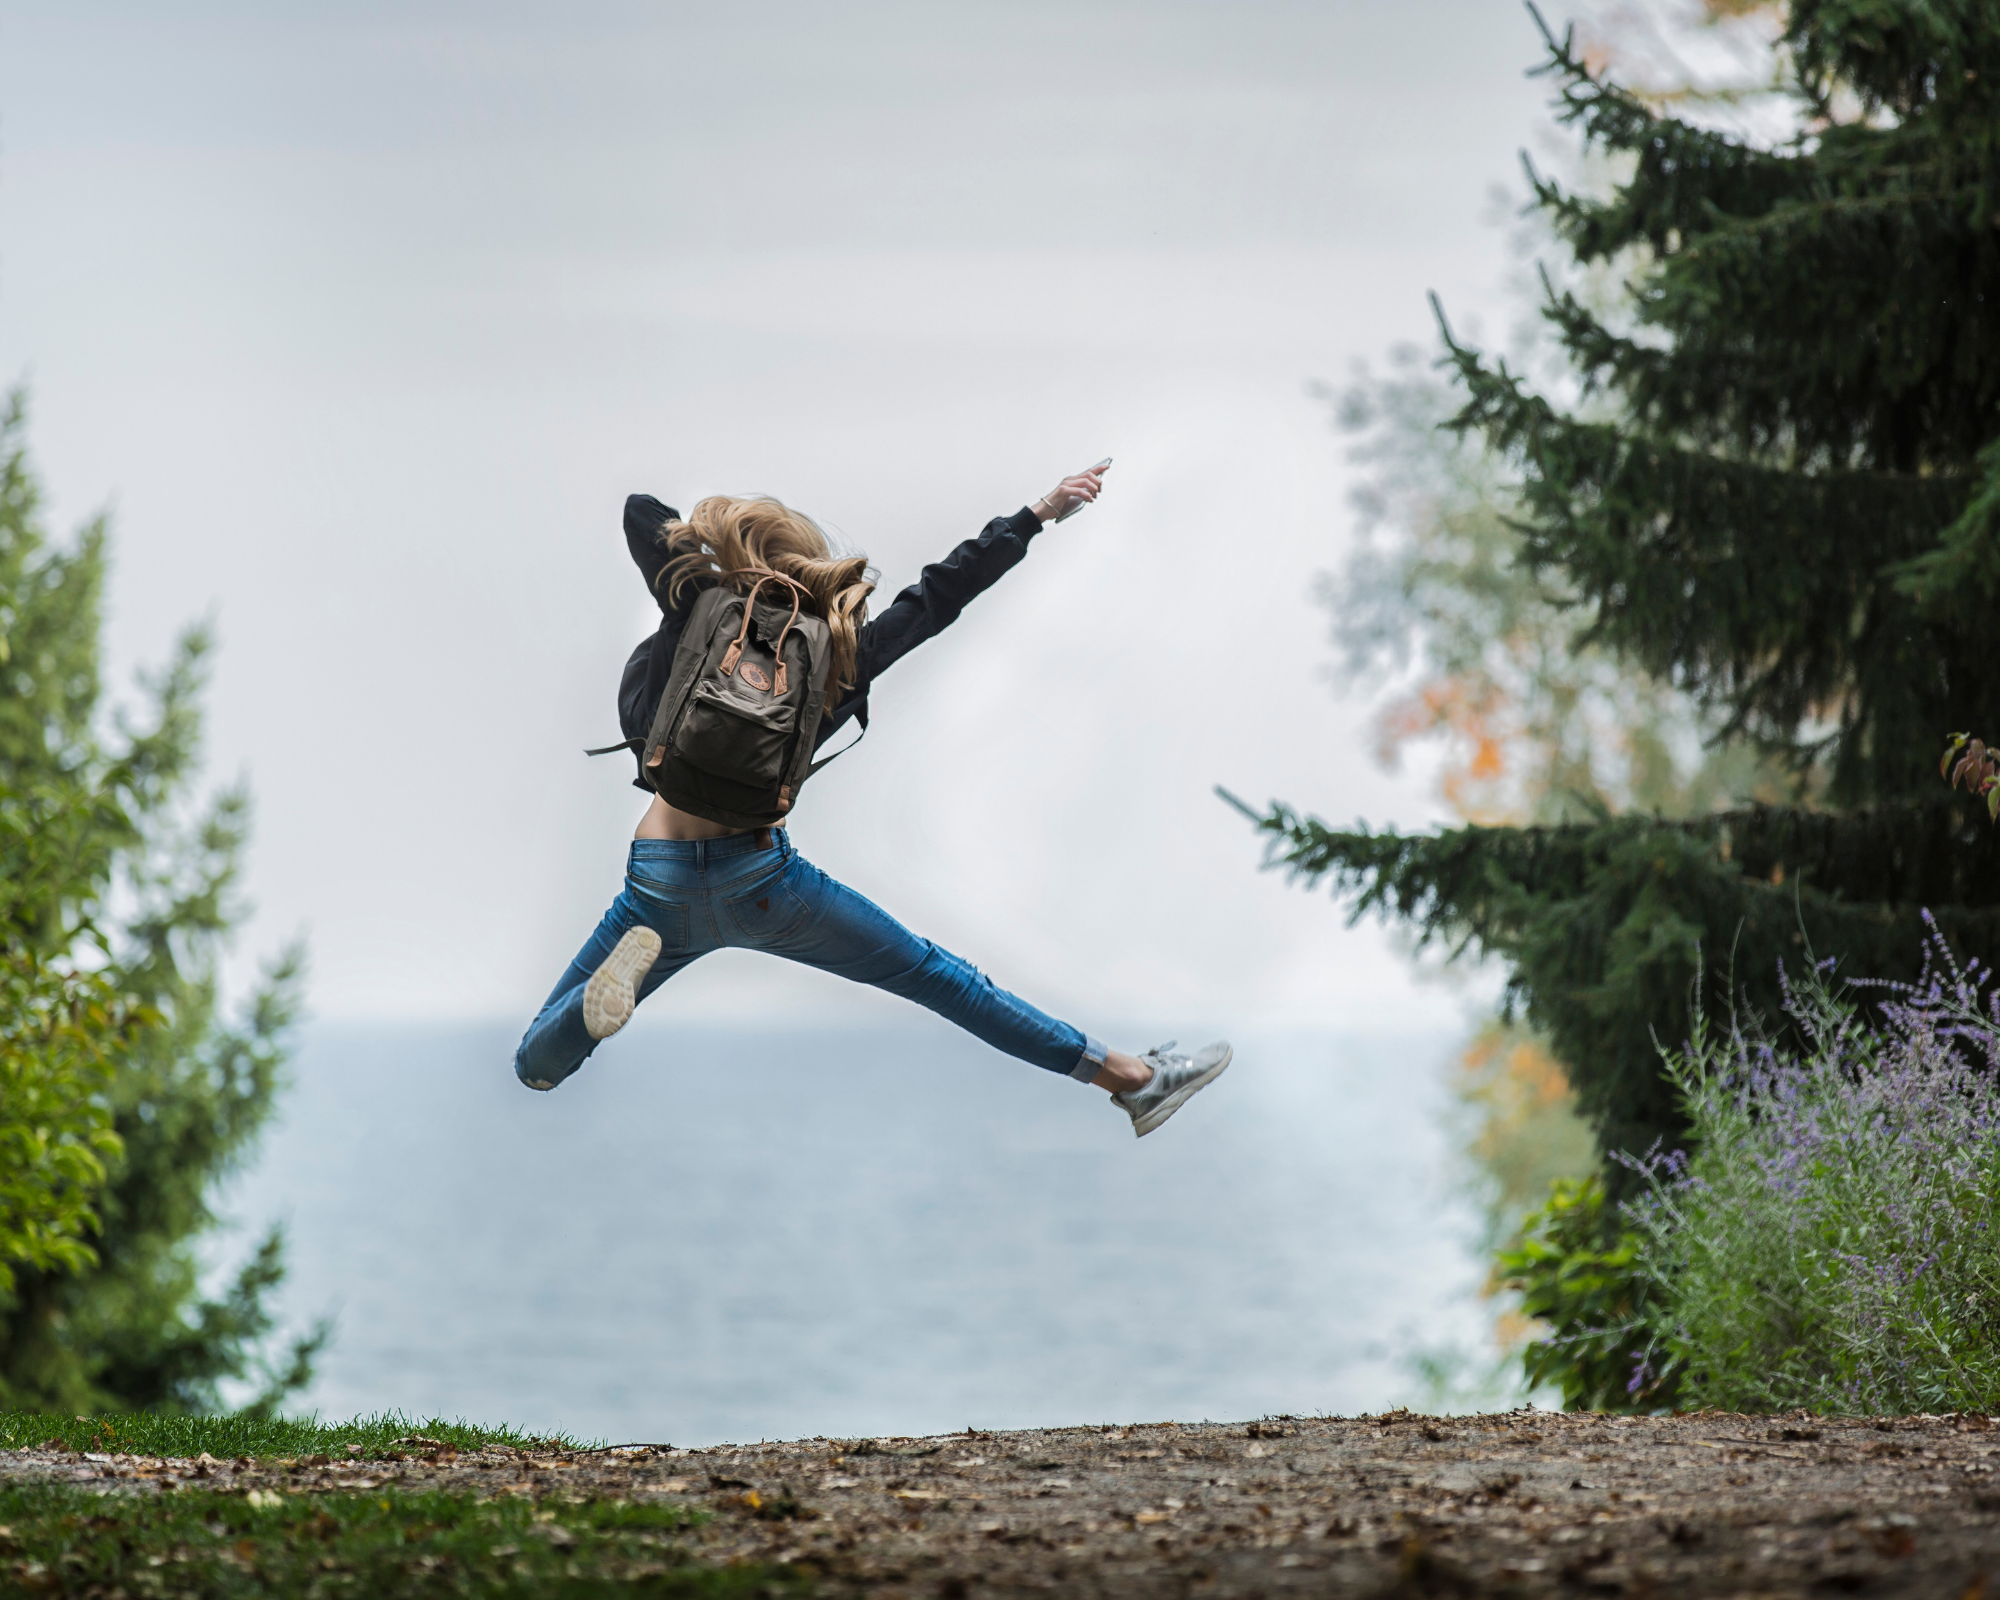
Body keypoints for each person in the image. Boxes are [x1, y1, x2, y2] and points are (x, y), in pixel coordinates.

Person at [512, 461, 1231, 1137]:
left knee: (535, 1063)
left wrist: (718, 557)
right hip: (762, 884)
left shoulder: (697, 608)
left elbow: (641, 512)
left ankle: (587, 1017)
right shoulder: (836, 655)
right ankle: (1132, 1080)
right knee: (943, 980)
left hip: (659, 882)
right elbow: (938, 597)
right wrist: (1036, 515)